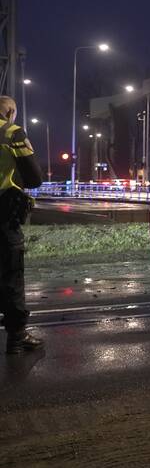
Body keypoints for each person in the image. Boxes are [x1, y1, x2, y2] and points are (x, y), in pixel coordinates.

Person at [0, 96, 45, 354]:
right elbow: (34, 178)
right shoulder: (12, 133)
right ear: (11, 112)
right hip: (4, 213)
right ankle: (16, 335)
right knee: (11, 273)